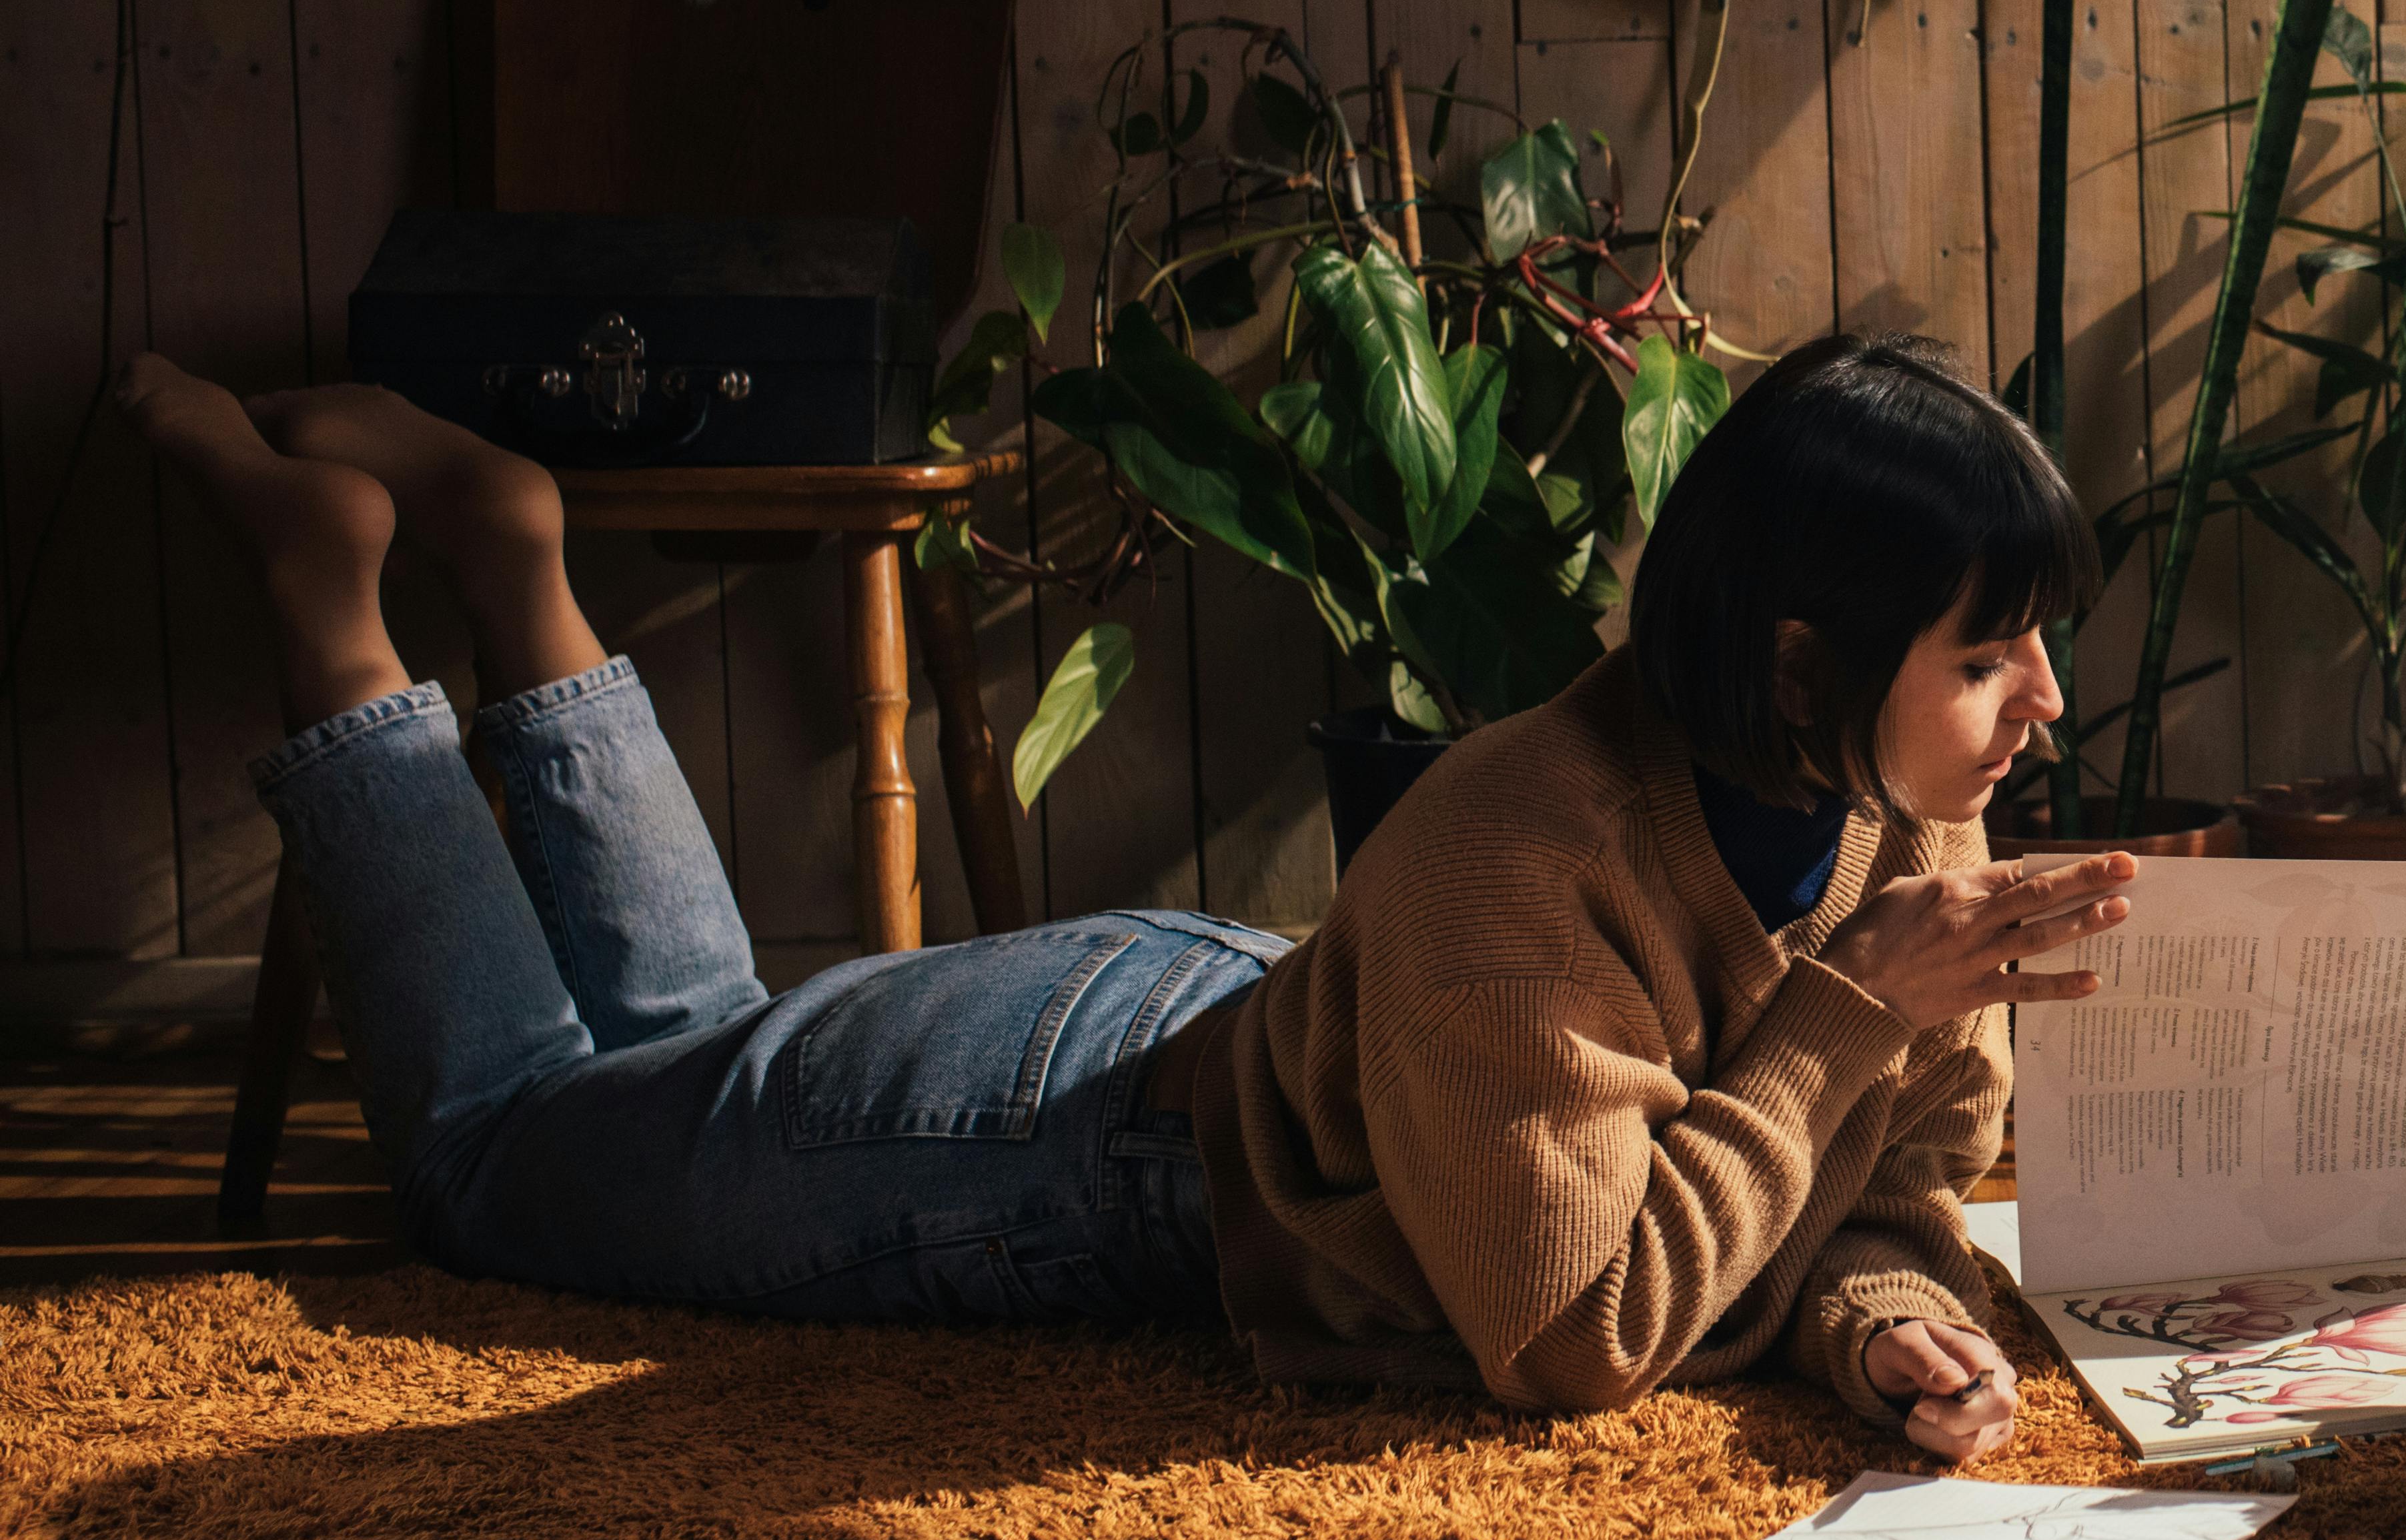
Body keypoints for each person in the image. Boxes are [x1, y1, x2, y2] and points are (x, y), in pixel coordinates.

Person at [126, 328, 2129, 1465]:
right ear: (1797, 662)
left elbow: (1856, 1190)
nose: (2041, 702)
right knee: (495, 1170)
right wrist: (1859, 1010)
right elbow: (1578, 1334)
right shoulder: (1526, 845)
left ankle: (515, 558)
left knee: (671, 1073)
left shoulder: (1887, 795)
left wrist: (1876, 1318)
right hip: (1056, 1130)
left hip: (1271, 1028)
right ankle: (329, 599)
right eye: (1988, 655)